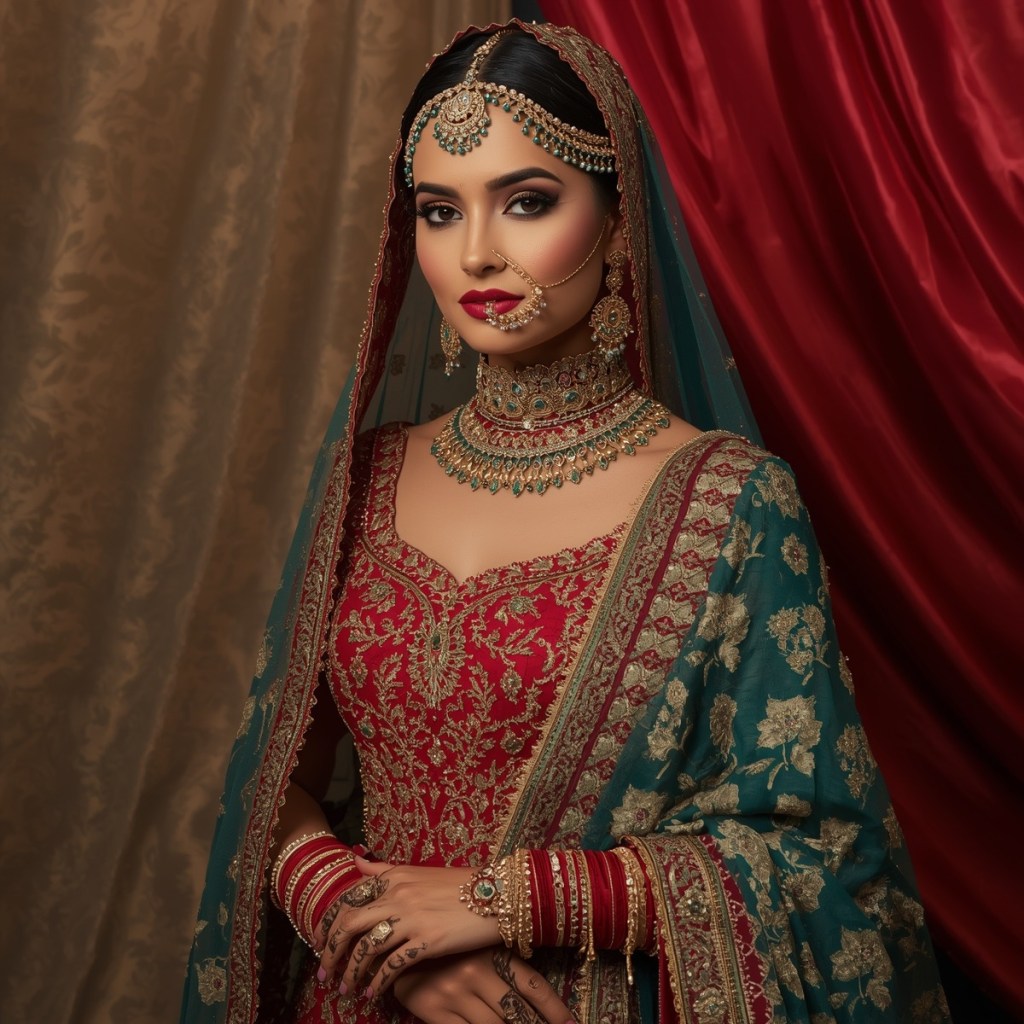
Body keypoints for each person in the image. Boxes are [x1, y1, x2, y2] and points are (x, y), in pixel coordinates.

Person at [181, 20, 950, 1024]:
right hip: (363, 991)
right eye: (439, 211)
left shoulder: (730, 500)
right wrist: (368, 923)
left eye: (527, 201)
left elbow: (819, 857)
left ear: (618, 218)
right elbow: (271, 776)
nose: (476, 252)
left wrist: (495, 902)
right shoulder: (365, 479)